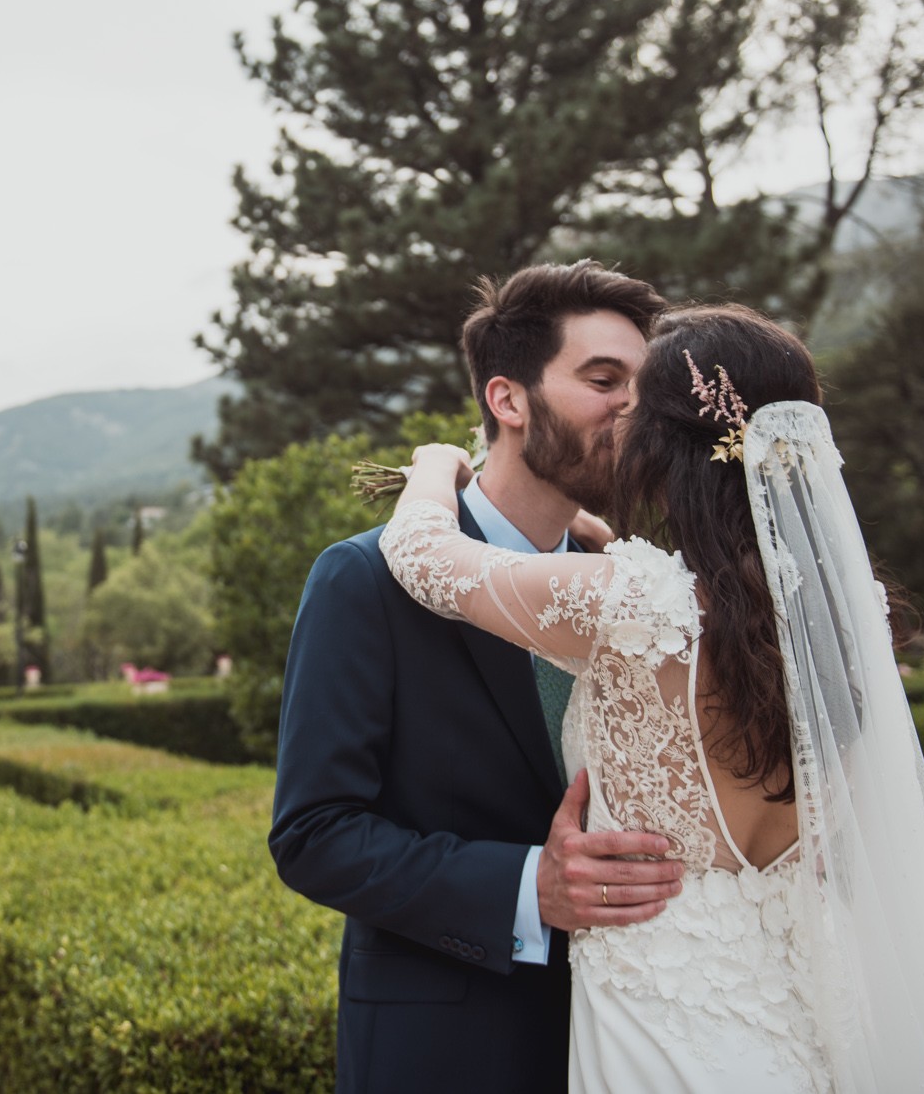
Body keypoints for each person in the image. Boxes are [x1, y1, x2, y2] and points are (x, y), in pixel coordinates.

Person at [379, 304, 924, 1092]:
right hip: (798, 1012)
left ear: (666, 446)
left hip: (660, 1015)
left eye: (633, 409)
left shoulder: (637, 605)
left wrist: (434, 465)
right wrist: (603, 539)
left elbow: (422, 556)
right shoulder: (840, 612)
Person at [268, 261, 683, 1093]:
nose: (631, 408)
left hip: (641, 1034)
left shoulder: (645, 586)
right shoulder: (365, 581)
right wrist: (531, 885)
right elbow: (313, 833)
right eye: (603, 380)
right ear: (509, 399)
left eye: (644, 384)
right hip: (451, 1051)